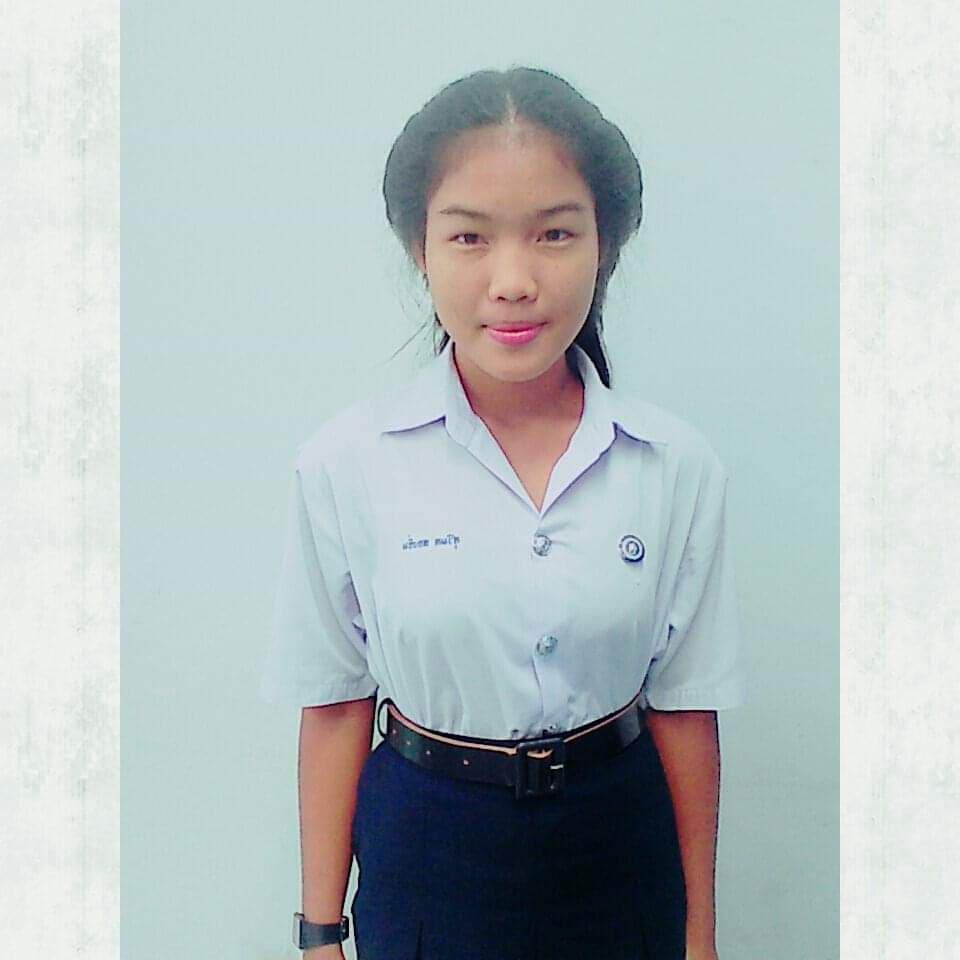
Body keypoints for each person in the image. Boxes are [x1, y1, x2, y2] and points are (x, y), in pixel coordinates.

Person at [260, 65, 749, 960]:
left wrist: (700, 939)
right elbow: (335, 702)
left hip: (620, 846)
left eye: (555, 233)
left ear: (605, 243)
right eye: (470, 237)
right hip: (429, 849)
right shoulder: (347, 463)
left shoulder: (674, 465)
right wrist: (320, 936)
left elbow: (686, 711)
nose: (514, 280)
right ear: (420, 247)